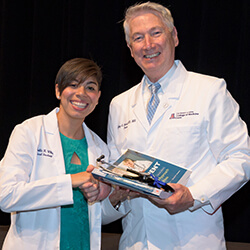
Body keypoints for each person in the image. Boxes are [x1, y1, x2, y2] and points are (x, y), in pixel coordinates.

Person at [101, 2, 250, 249]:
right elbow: (120, 174)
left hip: (192, 238)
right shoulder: (119, 104)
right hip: (136, 240)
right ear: (130, 49)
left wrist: (194, 196)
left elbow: (241, 157)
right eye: (138, 38)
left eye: (156, 33)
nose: (148, 44)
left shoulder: (210, 91)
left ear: (175, 36)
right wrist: (112, 192)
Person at [0, 58, 111, 250]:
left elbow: (97, 216)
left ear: (98, 97)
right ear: (58, 90)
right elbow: (6, 196)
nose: (81, 94)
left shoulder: (100, 148)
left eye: (90, 87)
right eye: (73, 85)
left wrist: (112, 196)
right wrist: (70, 181)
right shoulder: (29, 131)